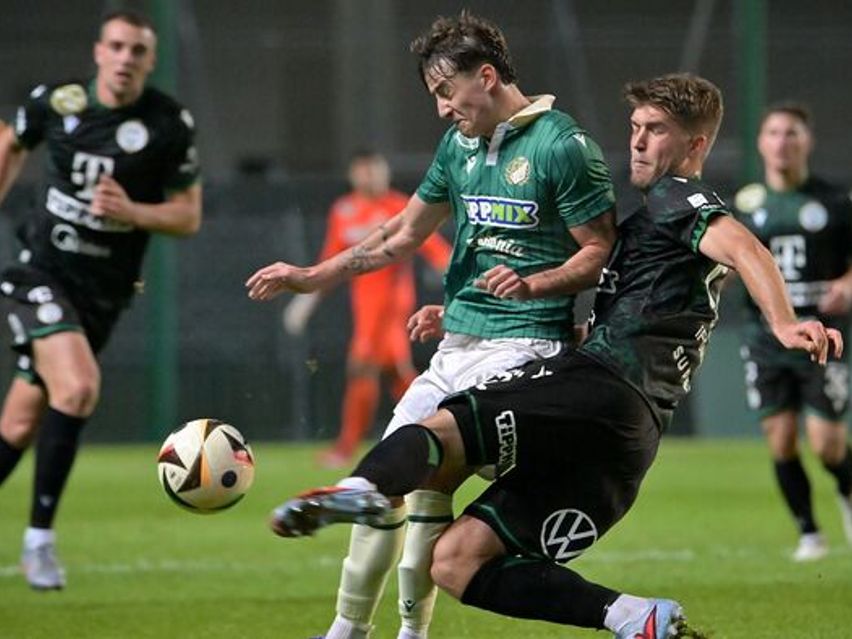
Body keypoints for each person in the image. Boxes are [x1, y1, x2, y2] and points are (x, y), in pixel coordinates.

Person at [267, 74, 843, 638]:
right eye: (635, 126)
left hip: (602, 388)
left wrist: (785, 322)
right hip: (626, 442)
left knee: (440, 426)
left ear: (695, 145)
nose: (638, 141)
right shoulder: (648, 227)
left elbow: (745, 247)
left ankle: (365, 491)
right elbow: (623, 321)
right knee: (458, 562)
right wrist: (470, 316)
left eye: (656, 130)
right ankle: (634, 617)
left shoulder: (679, 197)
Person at [247, 12, 617, 639]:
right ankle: (350, 629)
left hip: (525, 350)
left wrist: (534, 284)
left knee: (420, 471)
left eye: (447, 91)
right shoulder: (459, 147)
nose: (443, 108)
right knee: (394, 480)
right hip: (457, 345)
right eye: (435, 96)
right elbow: (400, 235)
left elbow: (599, 250)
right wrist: (312, 276)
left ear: (487, 76)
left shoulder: (562, 146)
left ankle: (400, 626)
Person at [0, 10, 201, 590]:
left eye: (137, 50)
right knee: (79, 387)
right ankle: (39, 542)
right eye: (116, 46)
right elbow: (12, 142)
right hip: (39, 274)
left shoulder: (168, 124)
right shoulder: (58, 102)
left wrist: (131, 211)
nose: (124, 58)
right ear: (98, 52)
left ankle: (37, 540)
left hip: (103, 296)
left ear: (150, 60)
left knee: (18, 424)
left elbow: (188, 216)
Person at [734, 103, 852, 561]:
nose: (782, 142)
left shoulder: (835, 201)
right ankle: (809, 534)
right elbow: (728, 261)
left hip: (824, 336)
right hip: (765, 338)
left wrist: (846, 286)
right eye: (774, 133)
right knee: (780, 439)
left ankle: (846, 488)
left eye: (792, 133)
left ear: (808, 141)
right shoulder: (744, 206)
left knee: (827, 445)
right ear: (761, 143)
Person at [283, 150, 451, 469]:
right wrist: (306, 300)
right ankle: (444, 430)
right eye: (364, 170)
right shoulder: (343, 210)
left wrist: (458, 279)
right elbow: (331, 261)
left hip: (391, 306)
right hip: (363, 307)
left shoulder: (401, 206)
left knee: (361, 367)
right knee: (398, 376)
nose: (370, 176)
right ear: (353, 174)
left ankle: (346, 448)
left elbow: (434, 248)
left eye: (375, 170)